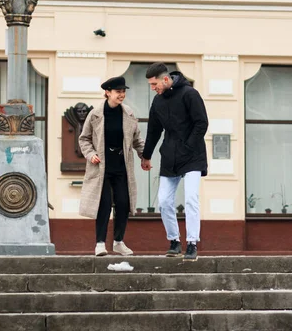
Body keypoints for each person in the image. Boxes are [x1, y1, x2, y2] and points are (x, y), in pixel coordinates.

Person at [141, 62, 208, 261]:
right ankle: (174, 242)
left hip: (192, 157)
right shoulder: (158, 102)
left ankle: (192, 243)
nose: (153, 88)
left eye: (155, 84)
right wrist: (146, 155)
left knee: (190, 199)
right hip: (169, 157)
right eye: (151, 85)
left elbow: (201, 123)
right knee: (163, 201)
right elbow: (153, 130)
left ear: (166, 79)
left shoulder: (190, 94)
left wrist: (188, 146)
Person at [79, 76, 145, 256]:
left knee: (124, 203)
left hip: (122, 165)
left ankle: (118, 242)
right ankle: (100, 243)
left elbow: (137, 140)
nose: (122, 95)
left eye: (123, 91)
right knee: (104, 204)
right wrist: (91, 154)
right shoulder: (95, 114)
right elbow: (84, 138)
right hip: (101, 166)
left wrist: (144, 156)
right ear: (107, 93)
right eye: (118, 91)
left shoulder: (128, 113)